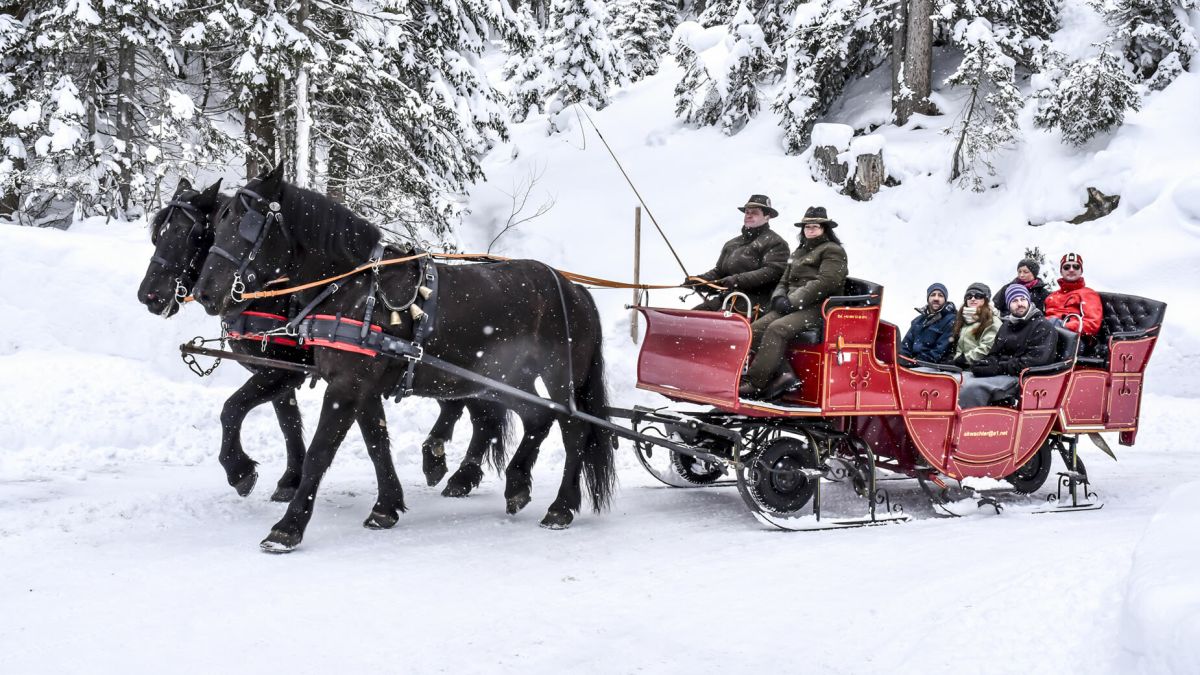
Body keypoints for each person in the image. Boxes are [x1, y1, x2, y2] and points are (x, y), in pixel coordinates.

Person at [738, 206, 848, 400]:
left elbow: (826, 282)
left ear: (825, 228)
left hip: (818, 307)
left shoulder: (833, 251)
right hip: (792, 304)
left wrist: (793, 301)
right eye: (807, 227)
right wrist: (779, 298)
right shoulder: (799, 252)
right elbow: (784, 280)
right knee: (754, 330)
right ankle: (784, 374)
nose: (810, 230)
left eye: (815, 226)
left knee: (777, 329)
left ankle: (755, 383)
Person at [688, 194, 790, 314]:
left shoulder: (776, 243)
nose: (749, 215)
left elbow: (772, 272)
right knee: (692, 317)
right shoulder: (732, 243)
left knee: (717, 324)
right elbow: (719, 272)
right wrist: (700, 281)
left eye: (755, 212)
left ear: (767, 217)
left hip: (754, 302)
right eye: (747, 212)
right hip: (726, 297)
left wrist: (737, 280)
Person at [958, 285, 1057, 408]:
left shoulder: (1043, 326)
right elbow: (995, 352)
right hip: (1006, 372)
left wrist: (998, 367)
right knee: (962, 380)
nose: (1020, 304)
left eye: (1023, 299)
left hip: (1022, 378)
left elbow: (1036, 361)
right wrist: (986, 363)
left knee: (972, 388)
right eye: (1014, 301)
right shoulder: (1007, 325)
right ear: (1009, 305)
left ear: (1028, 301)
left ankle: (970, 422)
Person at [1043, 252, 1102, 336]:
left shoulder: (1088, 294)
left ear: (1081, 271)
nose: (1071, 269)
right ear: (1061, 271)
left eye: (1076, 267)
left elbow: (1092, 324)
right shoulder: (1051, 296)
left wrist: (1064, 326)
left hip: (1073, 337)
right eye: (1066, 267)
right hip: (1046, 333)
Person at [900, 282, 956, 363]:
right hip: (912, 364)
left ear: (945, 299)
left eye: (940, 295)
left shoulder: (951, 320)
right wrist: (902, 359)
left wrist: (915, 362)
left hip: (932, 367)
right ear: (928, 298)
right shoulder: (917, 321)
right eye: (933, 295)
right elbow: (905, 345)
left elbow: (939, 351)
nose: (936, 298)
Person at [950, 282, 1001, 367]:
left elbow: (987, 347)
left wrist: (965, 359)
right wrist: (954, 358)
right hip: (960, 367)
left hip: (978, 368)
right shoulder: (961, 319)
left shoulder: (992, 320)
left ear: (986, 299)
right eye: (969, 296)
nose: (973, 299)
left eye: (978, 296)